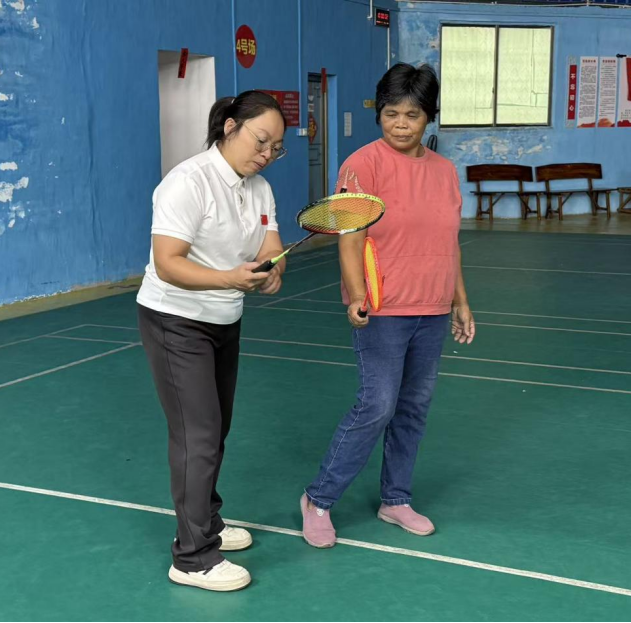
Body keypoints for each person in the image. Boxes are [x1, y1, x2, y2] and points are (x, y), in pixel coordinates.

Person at [301, 63, 476, 548]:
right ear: (380, 113)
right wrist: (356, 294)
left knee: (414, 408)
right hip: (383, 307)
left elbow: (451, 241)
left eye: (413, 114)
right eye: (391, 112)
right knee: (376, 404)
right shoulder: (363, 164)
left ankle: (395, 499)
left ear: (429, 118)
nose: (401, 123)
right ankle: (318, 499)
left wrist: (460, 299)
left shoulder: (444, 172)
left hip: (433, 305)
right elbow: (349, 238)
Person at [137, 91, 287, 590]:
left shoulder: (259, 189)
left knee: (215, 429)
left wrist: (272, 271)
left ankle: (208, 523)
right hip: (174, 319)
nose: (265, 154)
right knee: (196, 434)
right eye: (260, 141)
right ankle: (192, 557)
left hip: (225, 318)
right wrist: (228, 278)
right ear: (228, 126)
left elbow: (270, 246)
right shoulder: (187, 182)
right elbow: (168, 262)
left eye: (275, 148)